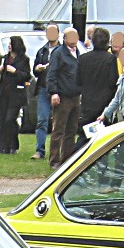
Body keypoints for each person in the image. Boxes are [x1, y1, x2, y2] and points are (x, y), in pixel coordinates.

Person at [46, 27, 82, 168]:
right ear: (65, 38)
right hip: (63, 96)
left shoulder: (78, 53)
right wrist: (54, 92)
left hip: (75, 96)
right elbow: (52, 74)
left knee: (72, 130)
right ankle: (54, 160)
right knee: (58, 129)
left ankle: (67, 159)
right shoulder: (58, 53)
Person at [76, 28, 119, 143]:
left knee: (85, 135)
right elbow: (113, 82)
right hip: (104, 103)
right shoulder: (111, 59)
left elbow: (78, 80)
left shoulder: (83, 58)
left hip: (87, 102)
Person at [0, 34, 31, 153]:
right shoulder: (4, 58)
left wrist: (15, 71)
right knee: (1, 120)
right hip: (3, 94)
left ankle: (12, 145)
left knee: (10, 120)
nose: (9, 46)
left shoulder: (24, 60)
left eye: (11, 43)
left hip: (16, 95)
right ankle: (1, 147)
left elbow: (27, 76)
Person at [31, 24, 60, 159]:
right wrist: (38, 68)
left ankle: (57, 152)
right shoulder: (42, 51)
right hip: (43, 88)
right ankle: (40, 150)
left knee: (59, 122)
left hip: (59, 90)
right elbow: (34, 71)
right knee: (42, 120)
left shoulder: (62, 50)